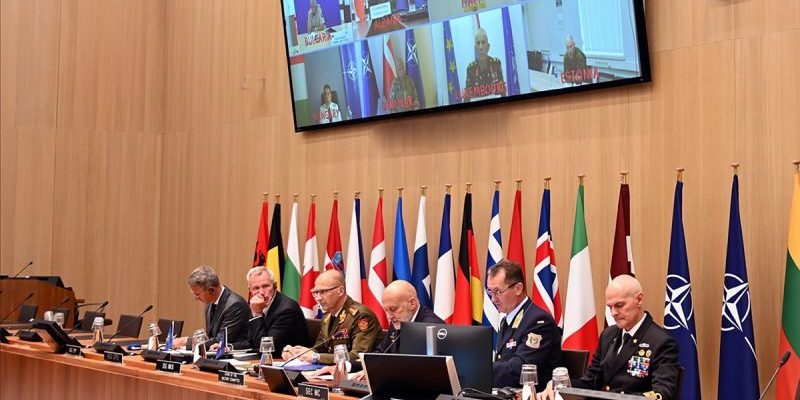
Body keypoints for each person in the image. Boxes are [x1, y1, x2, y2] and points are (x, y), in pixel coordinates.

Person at [538, 275, 680, 400]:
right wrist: (559, 386)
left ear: (639, 299)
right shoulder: (608, 335)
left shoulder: (661, 342)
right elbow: (590, 382)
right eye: (610, 307)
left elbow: (663, 393)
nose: (613, 313)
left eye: (619, 305)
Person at [310, 280, 443, 380]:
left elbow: (414, 368)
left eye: (393, 309)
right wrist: (345, 366)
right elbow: (379, 354)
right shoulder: (400, 320)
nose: (389, 316)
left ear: (412, 303)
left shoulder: (430, 327)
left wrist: (375, 372)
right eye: (386, 310)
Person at [489, 259, 561, 391]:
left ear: (518, 288)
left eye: (498, 291)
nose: (493, 299)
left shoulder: (539, 321)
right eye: (490, 292)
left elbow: (519, 369)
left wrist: (480, 370)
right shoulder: (507, 320)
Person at [282, 270, 382, 364]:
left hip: (356, 374)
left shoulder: (361, 316)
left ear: (340, 291)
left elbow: (357, 356)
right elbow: (320, 349)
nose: (318, 298)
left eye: (323, 292)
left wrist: (316, 357)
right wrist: (298, 353)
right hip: (330, 371)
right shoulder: (327, 317)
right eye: (316, 292)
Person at [172, 266, 250, 349]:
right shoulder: (210, 302)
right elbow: (211, 337)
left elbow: (221, 340)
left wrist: (185, 341)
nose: (196, 298)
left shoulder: (235, 305)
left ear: (211, 290)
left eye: (197, 294)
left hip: (235, 353)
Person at [236, 266, 309, 354]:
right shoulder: (255, 305)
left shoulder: (287, 309)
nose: (261, 292)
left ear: (275, 286)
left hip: (287, 359)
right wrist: (230, 347)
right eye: (256, 288)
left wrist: (257, 314)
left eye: (265, 286)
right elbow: (251, 340)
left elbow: (265, 348)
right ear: (250, 290)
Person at [464, 28, 506, 100]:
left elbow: (502, 92)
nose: (481, 47)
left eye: (483, 42)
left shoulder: (496, 64)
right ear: (475, 48)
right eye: (478, 43)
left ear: (488, 46)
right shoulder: (471, 69)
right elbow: (467, 98)